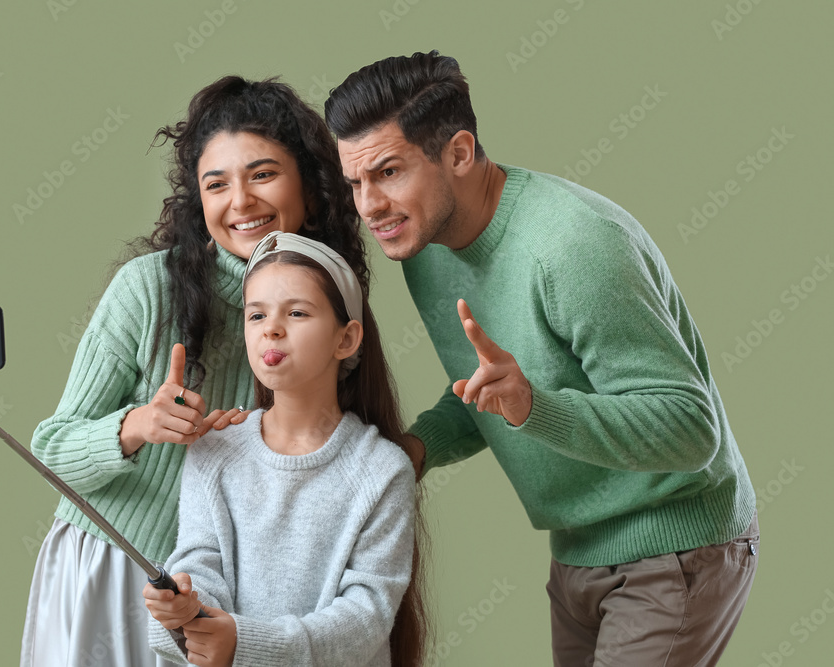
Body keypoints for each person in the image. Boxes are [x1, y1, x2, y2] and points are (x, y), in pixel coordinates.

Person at [325, 51, 759, 666]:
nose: (369, 205)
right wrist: (414, 450)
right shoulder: (423, 246)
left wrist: (533, 408)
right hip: (575, 552)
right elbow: (487, 388)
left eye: (388, 172)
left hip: (675, 546)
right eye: (355, 182)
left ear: (459, 152)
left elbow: (692, 432)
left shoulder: (571, 248)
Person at [21, 76, 372, 667]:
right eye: (217, 184)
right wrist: (138, 425)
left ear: (310, 188)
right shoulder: (147, 288)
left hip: (223, 592)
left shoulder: (330, 304)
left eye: (262, 174)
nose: (240, 202)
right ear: (199, 201)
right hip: (112, 566)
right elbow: (50, 448)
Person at [143, 231, 426, 667]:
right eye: (256, 316)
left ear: (346, 339)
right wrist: (184, 611)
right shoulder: (213, 451)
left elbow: (364, 619)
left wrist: (245, 643)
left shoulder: (383, 470)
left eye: (296, 312)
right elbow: (200, 565)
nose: (271, 329)